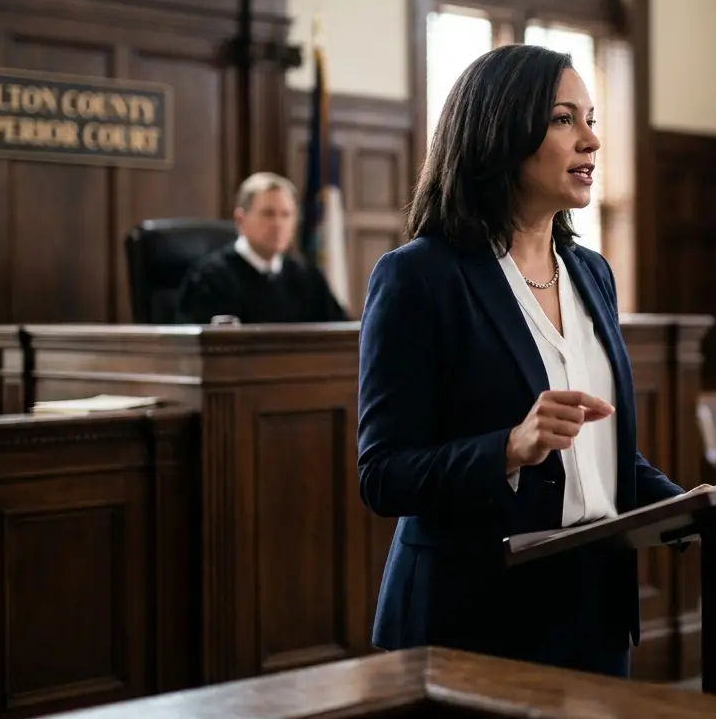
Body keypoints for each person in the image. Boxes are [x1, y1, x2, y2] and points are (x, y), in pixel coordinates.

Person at [355, 44, 688, 678]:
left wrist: (699, 507)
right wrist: (509, 446)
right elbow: (383, 474)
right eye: (565, 120)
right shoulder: (418, 278)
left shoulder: (592, 273)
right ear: (499, 132)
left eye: (590, 118)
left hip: (595, 607)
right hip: (473, 616)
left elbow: (598, 452)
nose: (591, 140)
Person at [174, 172, 350, 324]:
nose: (278, 224)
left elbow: (341, 331)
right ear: (241, 219)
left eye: (286, 215)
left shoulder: (306, 276)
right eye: (268, 214)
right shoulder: (210, 278)